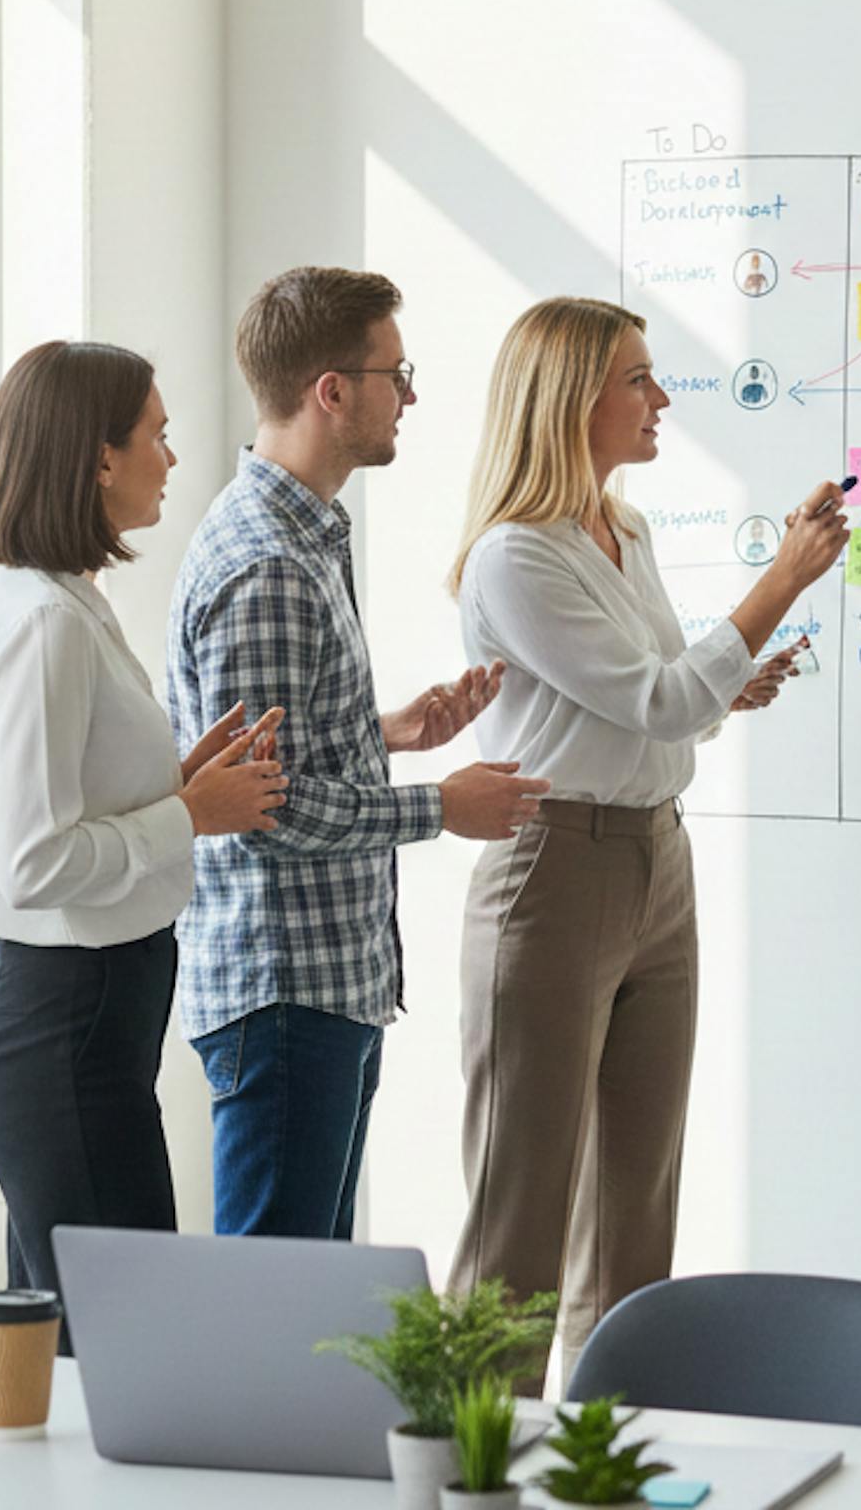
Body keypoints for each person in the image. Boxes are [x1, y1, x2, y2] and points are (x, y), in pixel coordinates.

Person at [445, 297, 847, 1379]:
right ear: (572, 399)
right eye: (638, 378)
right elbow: (658, 699)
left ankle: (606, 1449)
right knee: (518, 1216)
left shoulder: (625, 532)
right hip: (552, 870)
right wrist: (781, 579)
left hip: (656, 860)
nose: (661, 397)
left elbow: (659, 703)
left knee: (637, 1208)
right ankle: (474, 1456)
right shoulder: (513, 558)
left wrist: (726, 687)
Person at [167, 266, 549, 1240]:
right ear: (331, 391)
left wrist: (385, 731)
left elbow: (275, 750)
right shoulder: (267, 563)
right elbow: (267, 808)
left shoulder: (302, 536)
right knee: (274, 1295)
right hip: (285, 991)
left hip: (320, 987)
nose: (408, 396)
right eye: (395, 374)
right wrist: (441, 806)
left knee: (304, 1288)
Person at [0, 342, 288, 1344]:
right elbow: (34, 861)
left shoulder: (66, 601)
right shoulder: (46, 622)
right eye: (157, 435)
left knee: (85, 1346)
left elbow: (77, 800)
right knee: (123, 1342)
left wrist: (181, 783)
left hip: (91, 1020)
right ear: (99, 457)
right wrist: (189, 813)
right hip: (66, 1023)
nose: (172, 458)